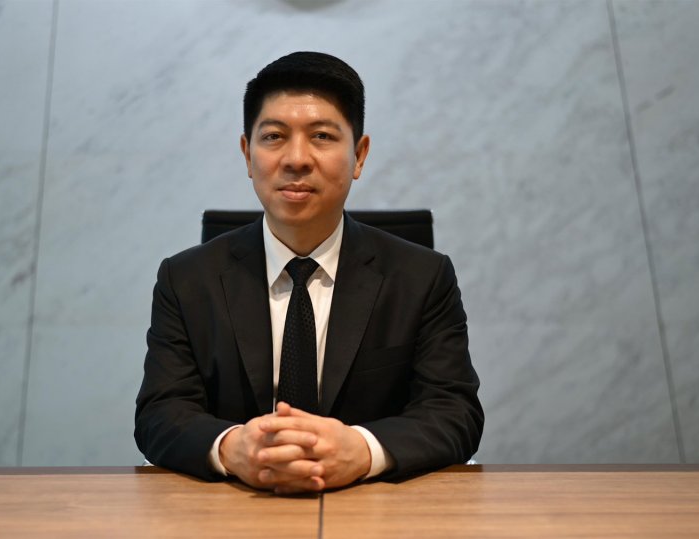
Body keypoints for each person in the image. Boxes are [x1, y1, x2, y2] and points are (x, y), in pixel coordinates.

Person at [135, 51, 483, 494]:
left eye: (321, 136)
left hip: (376, 511)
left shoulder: (422, 277)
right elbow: (160, 413)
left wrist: (362, 449)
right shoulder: (185, 280)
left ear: (359, 155)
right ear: (247, 155)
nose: (296, 159)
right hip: (233, 511)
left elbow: (454, 412)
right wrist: (233, 448)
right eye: (274, 136)